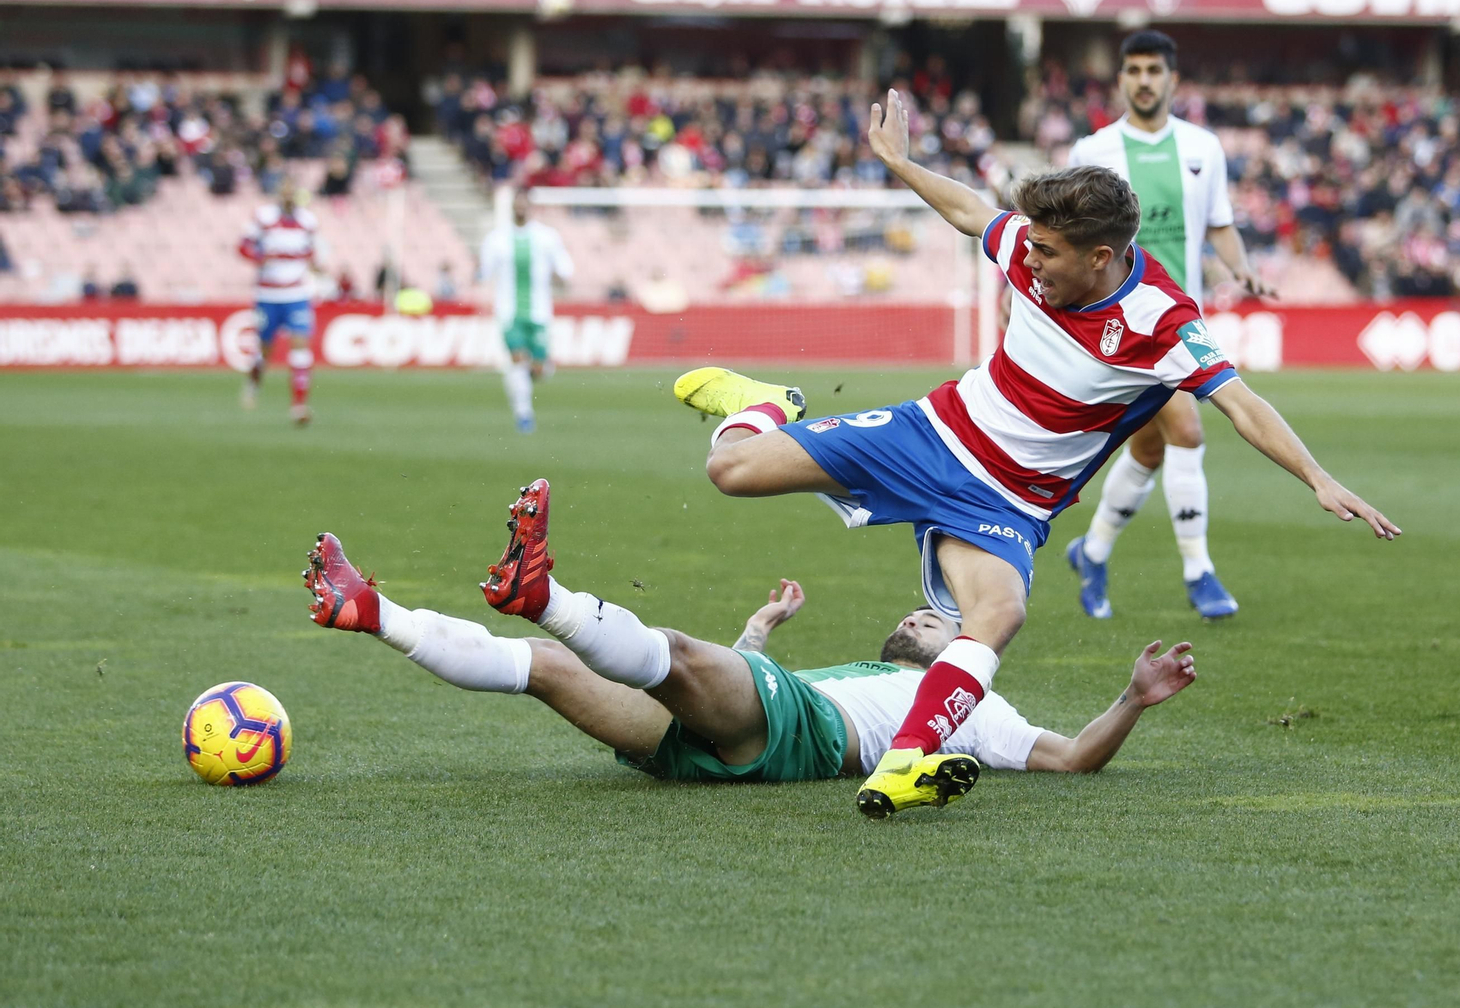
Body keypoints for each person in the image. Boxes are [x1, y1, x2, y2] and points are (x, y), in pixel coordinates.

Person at [671, 88, 1399, 817]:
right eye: (1033, 244)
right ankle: (764, 403)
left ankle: (906, 761)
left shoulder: (1163, 322)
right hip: (935, 432)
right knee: (730, 470)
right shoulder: (1032, 244)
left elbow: (1242, 403)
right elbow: (968, 212)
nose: (1032, 260)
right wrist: (900, 161)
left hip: (1009, 502)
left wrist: (1317, 477)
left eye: (1049, 253)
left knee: (1000, 611)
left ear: (1103, 257)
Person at [302, 480, 1198, 806]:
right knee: (546, 672)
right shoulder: (862, 671)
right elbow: (733, 697)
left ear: (960, 652)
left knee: (680, 655)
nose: (921, 617)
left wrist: (1132, 697)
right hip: (728, 743)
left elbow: (1073, 759)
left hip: (804, 733)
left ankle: (545, 594)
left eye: (937, 619)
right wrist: (760, 633)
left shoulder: (980, 712)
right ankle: (375, 613)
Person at [1060, 30, 1267, 620]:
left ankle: (1092, 551)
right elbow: (1070, 237)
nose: (1144, 80)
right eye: (1134, 70)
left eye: (1155, 70)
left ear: (1172, 79)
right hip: (1116, 322)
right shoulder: (1093, 150)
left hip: (1179, 318)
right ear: (1121, 79)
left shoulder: (1204, 147)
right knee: (1189, 432)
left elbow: (1220, 224)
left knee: (1149, 448)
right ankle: (1200, 571)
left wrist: (1242, 269)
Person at [478, 192, 574, 432]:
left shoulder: (547, 237)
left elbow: (565, 268)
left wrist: (561, 277)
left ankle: (535, 372)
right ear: (512, 208)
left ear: (530, 207)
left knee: (539, 369)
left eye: (524, 205)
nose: (520, 209)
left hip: (539, 312)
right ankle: (524, 415)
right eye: (517, 205)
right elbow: (484, 271)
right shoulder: (497, 239)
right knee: (518, 360)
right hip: (509, 312)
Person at [238, 181, 322, 425]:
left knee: (300, 345)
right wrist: (259, 258)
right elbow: (242, 246)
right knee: (265, 350)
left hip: (297, 293)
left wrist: (311, 262)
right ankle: (253, 385)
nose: (289, 197)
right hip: (268, 295)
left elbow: (311, 251)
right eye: (285, 193)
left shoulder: (308, 221)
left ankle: (299, 405)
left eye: (292, 193)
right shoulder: (263, 217)